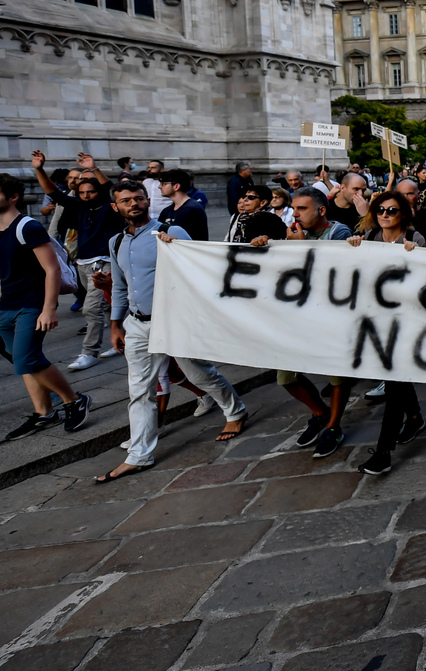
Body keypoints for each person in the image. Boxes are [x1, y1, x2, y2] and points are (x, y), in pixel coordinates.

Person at [96, 180, 247, 482]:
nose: (134, 204)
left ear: (147, 202)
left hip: (174, 319)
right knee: (139, 390)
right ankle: (139, 454)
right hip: (137, 324)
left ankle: (235, 411)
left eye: (138, 198)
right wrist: (115, 324)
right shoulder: (116, 242)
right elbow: (123, 287)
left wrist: (173, 249)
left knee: (197, 373)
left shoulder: (171, 232)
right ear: (116, 207)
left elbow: (198, 270)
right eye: (126, 200)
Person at [0, 175, 90, 442]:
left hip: (31, 305)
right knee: (22, 363)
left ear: (13, 196)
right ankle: (44, 412)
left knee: (27, 358)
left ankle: (75, 400)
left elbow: (51, 269)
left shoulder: (28, 228)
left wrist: (49, 309)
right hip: (5, 306)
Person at [350, 192, 426, 477]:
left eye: (392, 210)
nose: (385, 214)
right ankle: (416, 416)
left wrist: (417, 257)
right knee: (396, 376)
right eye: (380, 209)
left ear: (403, 214)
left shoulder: (414, 239)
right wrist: (352, 250)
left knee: (394, 383)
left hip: (405, 322)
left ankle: (383, 452)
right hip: (378, 321)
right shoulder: (369, 239)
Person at [277, 187, 353, 459]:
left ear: (321, 210)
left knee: (337, 376)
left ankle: (333, 426)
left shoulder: (339, 232)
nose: (295, 214)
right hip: (299, 319)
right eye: (294, 208)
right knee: (285, 376)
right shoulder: (294, 234)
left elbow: (331, 269)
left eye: (301, 209)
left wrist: (300, 247)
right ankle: (319, 413)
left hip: (330, 318)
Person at [32, 152, 123, 370]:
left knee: (91, 308)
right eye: (82, 192)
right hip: (82, 262)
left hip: (104, 262)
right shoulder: (79, 206)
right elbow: (52, 192)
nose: (86, 195)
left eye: (90, 192)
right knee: (111, 304)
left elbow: (111, 188)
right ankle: (122, 337)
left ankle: (89, 352)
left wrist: (93, 168)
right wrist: (38, 169)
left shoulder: (110, 206)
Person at [157, 169, 209, 241]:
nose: (159, 186)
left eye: (164, 183)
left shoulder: (192, 210)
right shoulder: (166, 211)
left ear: (176, 186)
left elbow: (194, 240)